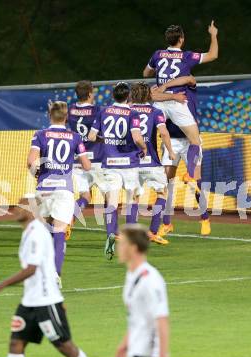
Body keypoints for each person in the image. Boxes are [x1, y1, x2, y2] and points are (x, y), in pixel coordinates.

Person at [0, 197, 100, 357]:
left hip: (46, 302)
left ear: (32, 211)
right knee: (15, 345)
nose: (15, 210)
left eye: (21, 207)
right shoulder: (29, 231)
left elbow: (32, 269)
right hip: (29, 303)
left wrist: (0, 285)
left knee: (65, 347)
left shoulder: (37, 232)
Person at [143, 21, 218, 189]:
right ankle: (192, 176)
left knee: (150, 133)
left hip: (159, 100)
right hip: (177, 100)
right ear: (182, 40)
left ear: (167, 39)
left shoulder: (158, 54)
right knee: (196, 140)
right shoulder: (186, 57)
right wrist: (213, 34)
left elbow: (146, 73)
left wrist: (159, 73)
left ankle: (146, 164)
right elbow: (213, 55)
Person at [27, 101, 91, 285]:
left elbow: (31, 162)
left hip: (44, 188)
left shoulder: (39, 135)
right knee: (59, 232)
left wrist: (36, 174)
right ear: (66, 117)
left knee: (44, 232)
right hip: (64, 189)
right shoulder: (75, 137)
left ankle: (42, 272)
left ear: (49, 115)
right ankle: (55, 275)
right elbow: (86, 165)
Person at [88, 82, 147, 260]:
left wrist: (104, 140)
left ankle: (110, 235)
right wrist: (144, 147)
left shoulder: (103, 111)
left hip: (110, 162)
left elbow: (91, 137)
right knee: (131, 201)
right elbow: (137, 138)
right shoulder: (133, 113)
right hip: (129, 162)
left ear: (113, 96)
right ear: (128, 96)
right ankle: (131, 241)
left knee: (111, 202)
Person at [115, 224, 170, 357]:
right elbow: (137, 317)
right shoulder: (132, 275)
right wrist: (125, 344)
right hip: (137, 353)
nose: (119, 247)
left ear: (133, 248)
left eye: (122, 243)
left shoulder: (150, 280)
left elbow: (161, 320)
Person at [155, 76, 211, 236]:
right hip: (171, 141)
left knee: (195, 181)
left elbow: (190, 79)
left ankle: (205, 218)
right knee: (167, 183)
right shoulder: (163, 95)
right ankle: (166, 223)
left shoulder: (188, 89)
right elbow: (151, 96)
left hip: (189, 141)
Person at [130, 81, 175, 245]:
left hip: (132, 161)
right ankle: (153, 231)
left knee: (134, 197)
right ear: (148, 95)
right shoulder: (156, 112)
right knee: (162, 193)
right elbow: (163, 132)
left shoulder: (127, 111)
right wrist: (170, 151)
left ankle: (131, 234)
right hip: (152, 162)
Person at [66, 80, 104, 239]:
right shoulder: (97, 110)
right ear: (89, 94)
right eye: (93, 92)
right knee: (110, 195)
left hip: (78, 160)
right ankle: (113, 232)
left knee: (85, 197)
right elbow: (99, 133)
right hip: (97, 159)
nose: (94, 95)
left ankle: (69, 220)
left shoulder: (70, 110)